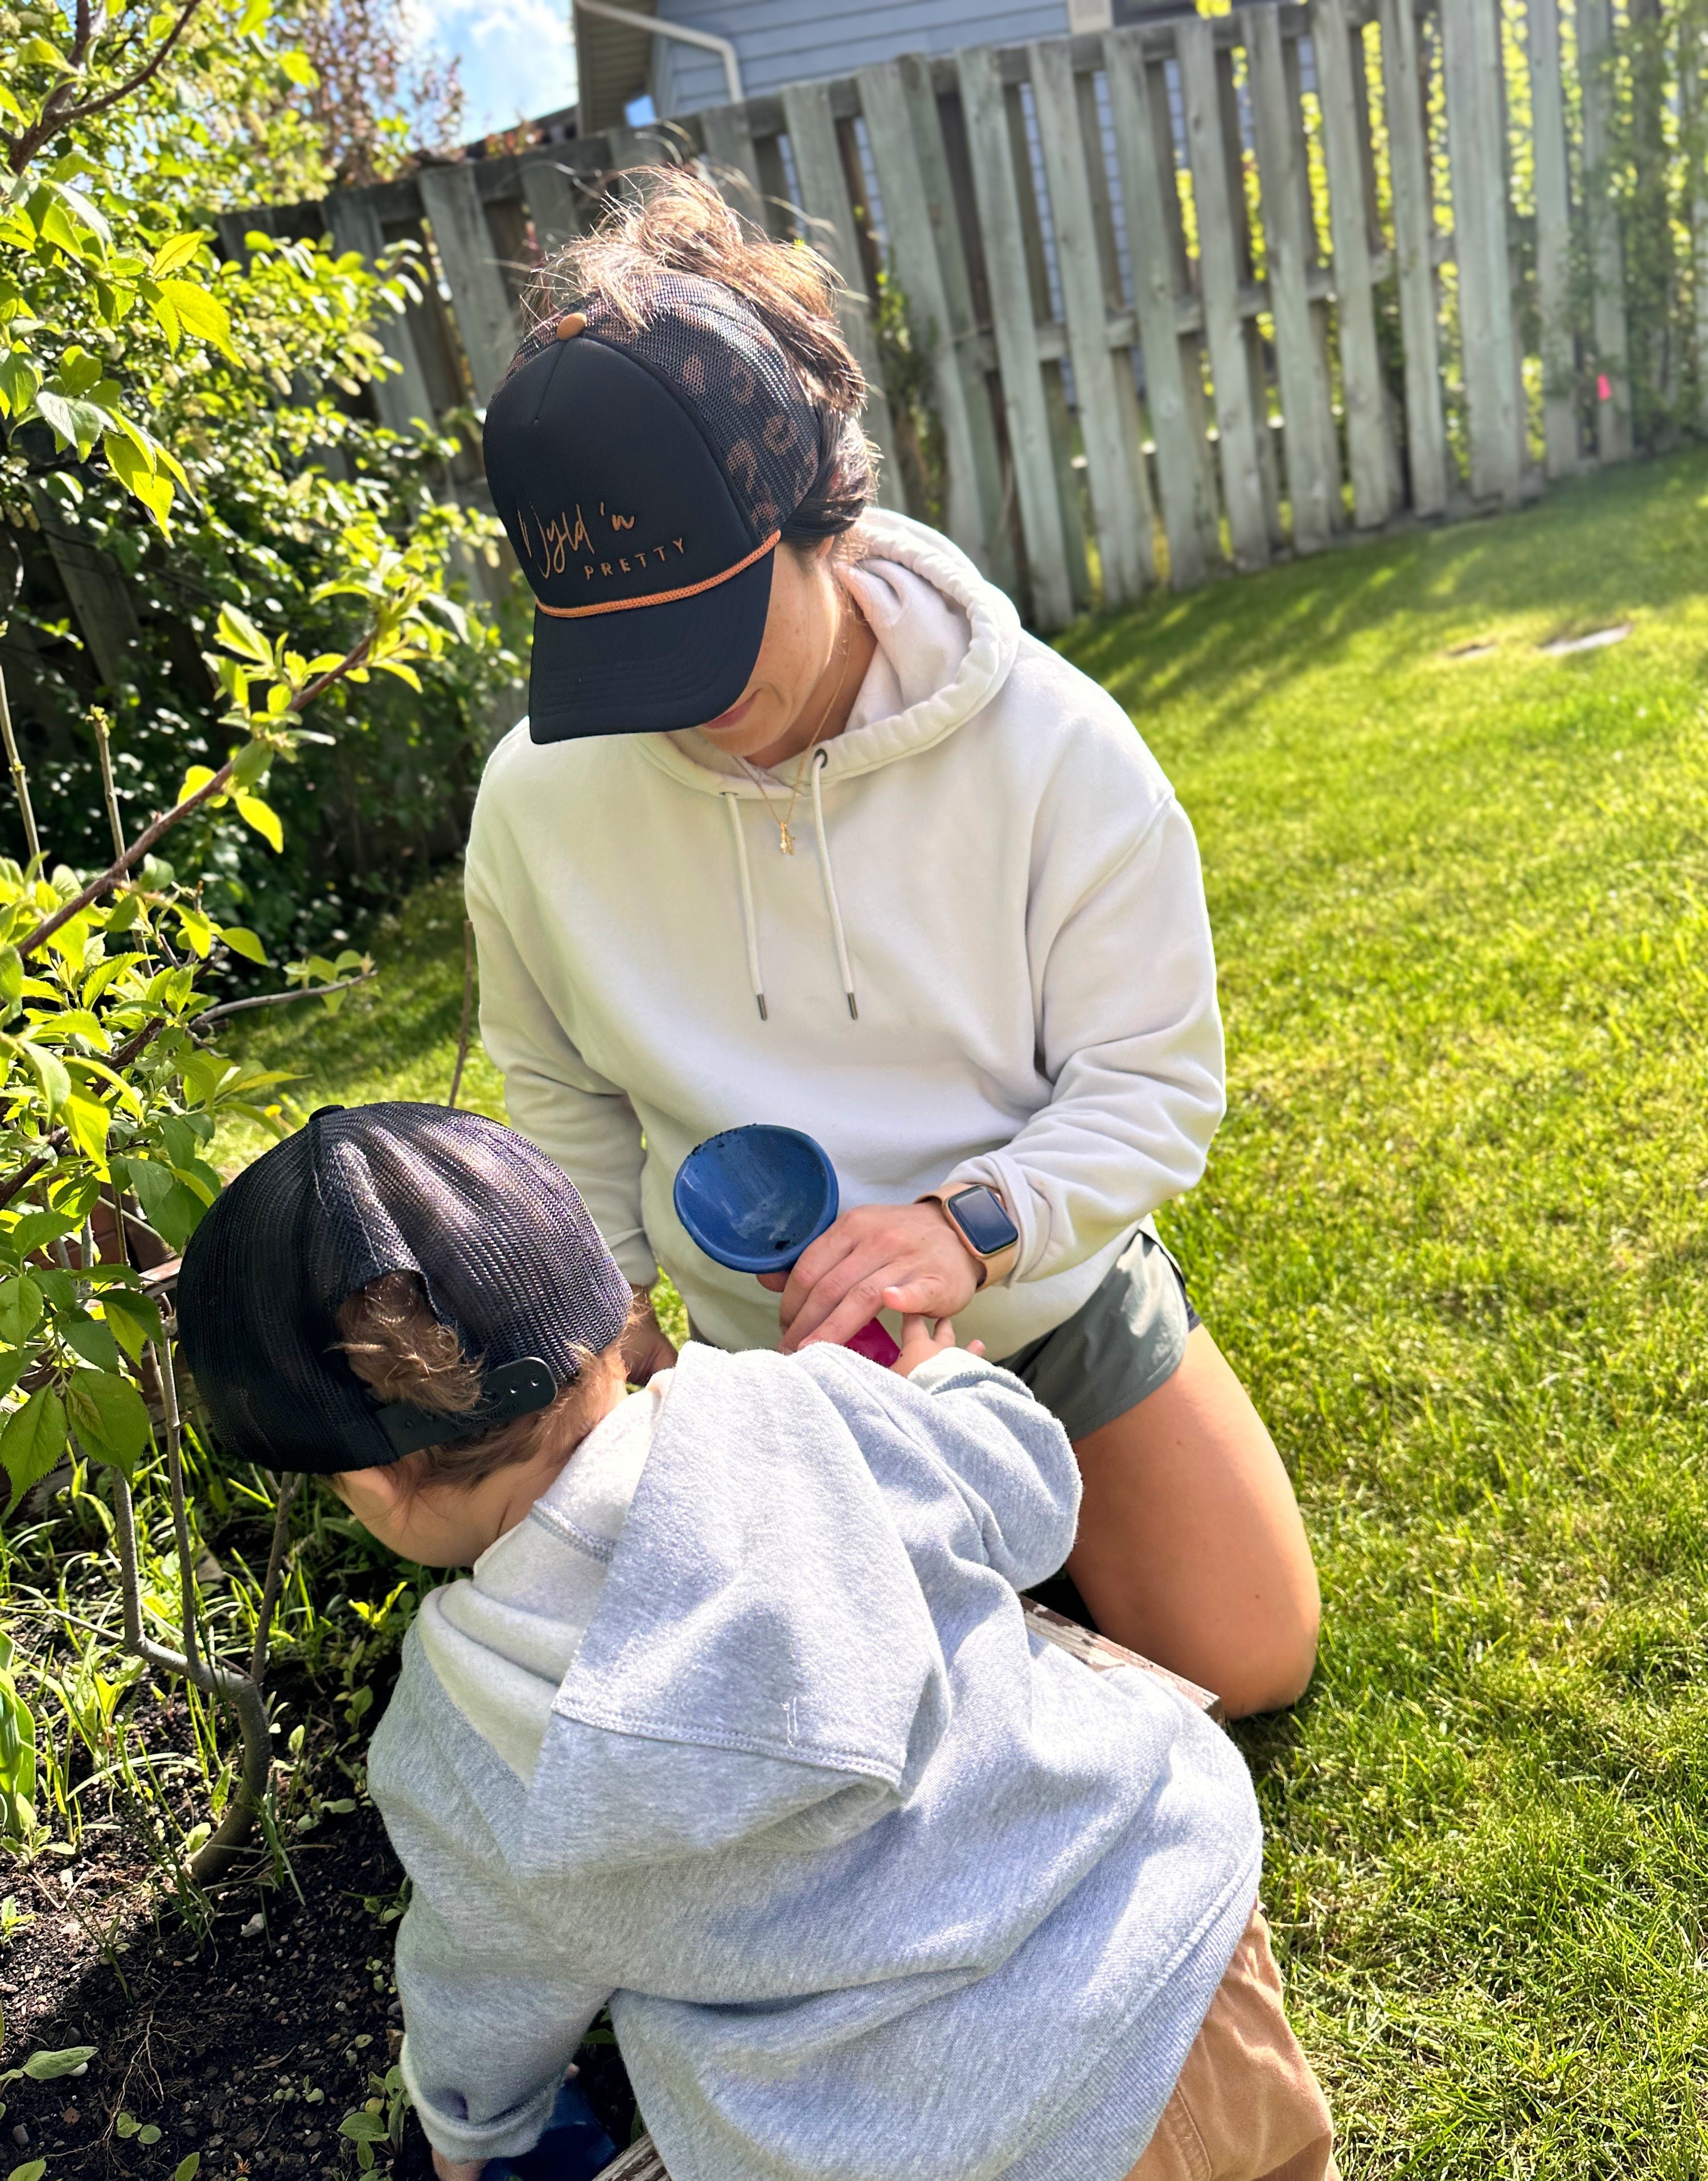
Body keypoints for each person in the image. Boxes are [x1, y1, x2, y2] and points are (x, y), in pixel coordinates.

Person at [173, 1101, 1386, 2181]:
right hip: (1181, 1945)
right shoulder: (811, 1404)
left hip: (977, 2166)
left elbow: (490, 1974)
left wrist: (471, 2117)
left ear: (374, 1489)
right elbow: (1027, 1495)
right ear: (615, 1319)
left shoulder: (460, 1735)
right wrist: (948, 1383)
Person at [465, 174, 1317, 1719]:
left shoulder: (1053, 747)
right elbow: (562, 1091)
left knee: (1249, 1661)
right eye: (622, 656)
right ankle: (975, 1591)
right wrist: (623, 1343)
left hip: (1038, 1299)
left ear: (824, 518)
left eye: (709, 638)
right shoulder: (537, 800)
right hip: (758, 1377)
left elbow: (1156, 1082)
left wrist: (974, 1227)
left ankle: (1012, 1552)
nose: (677, 702)